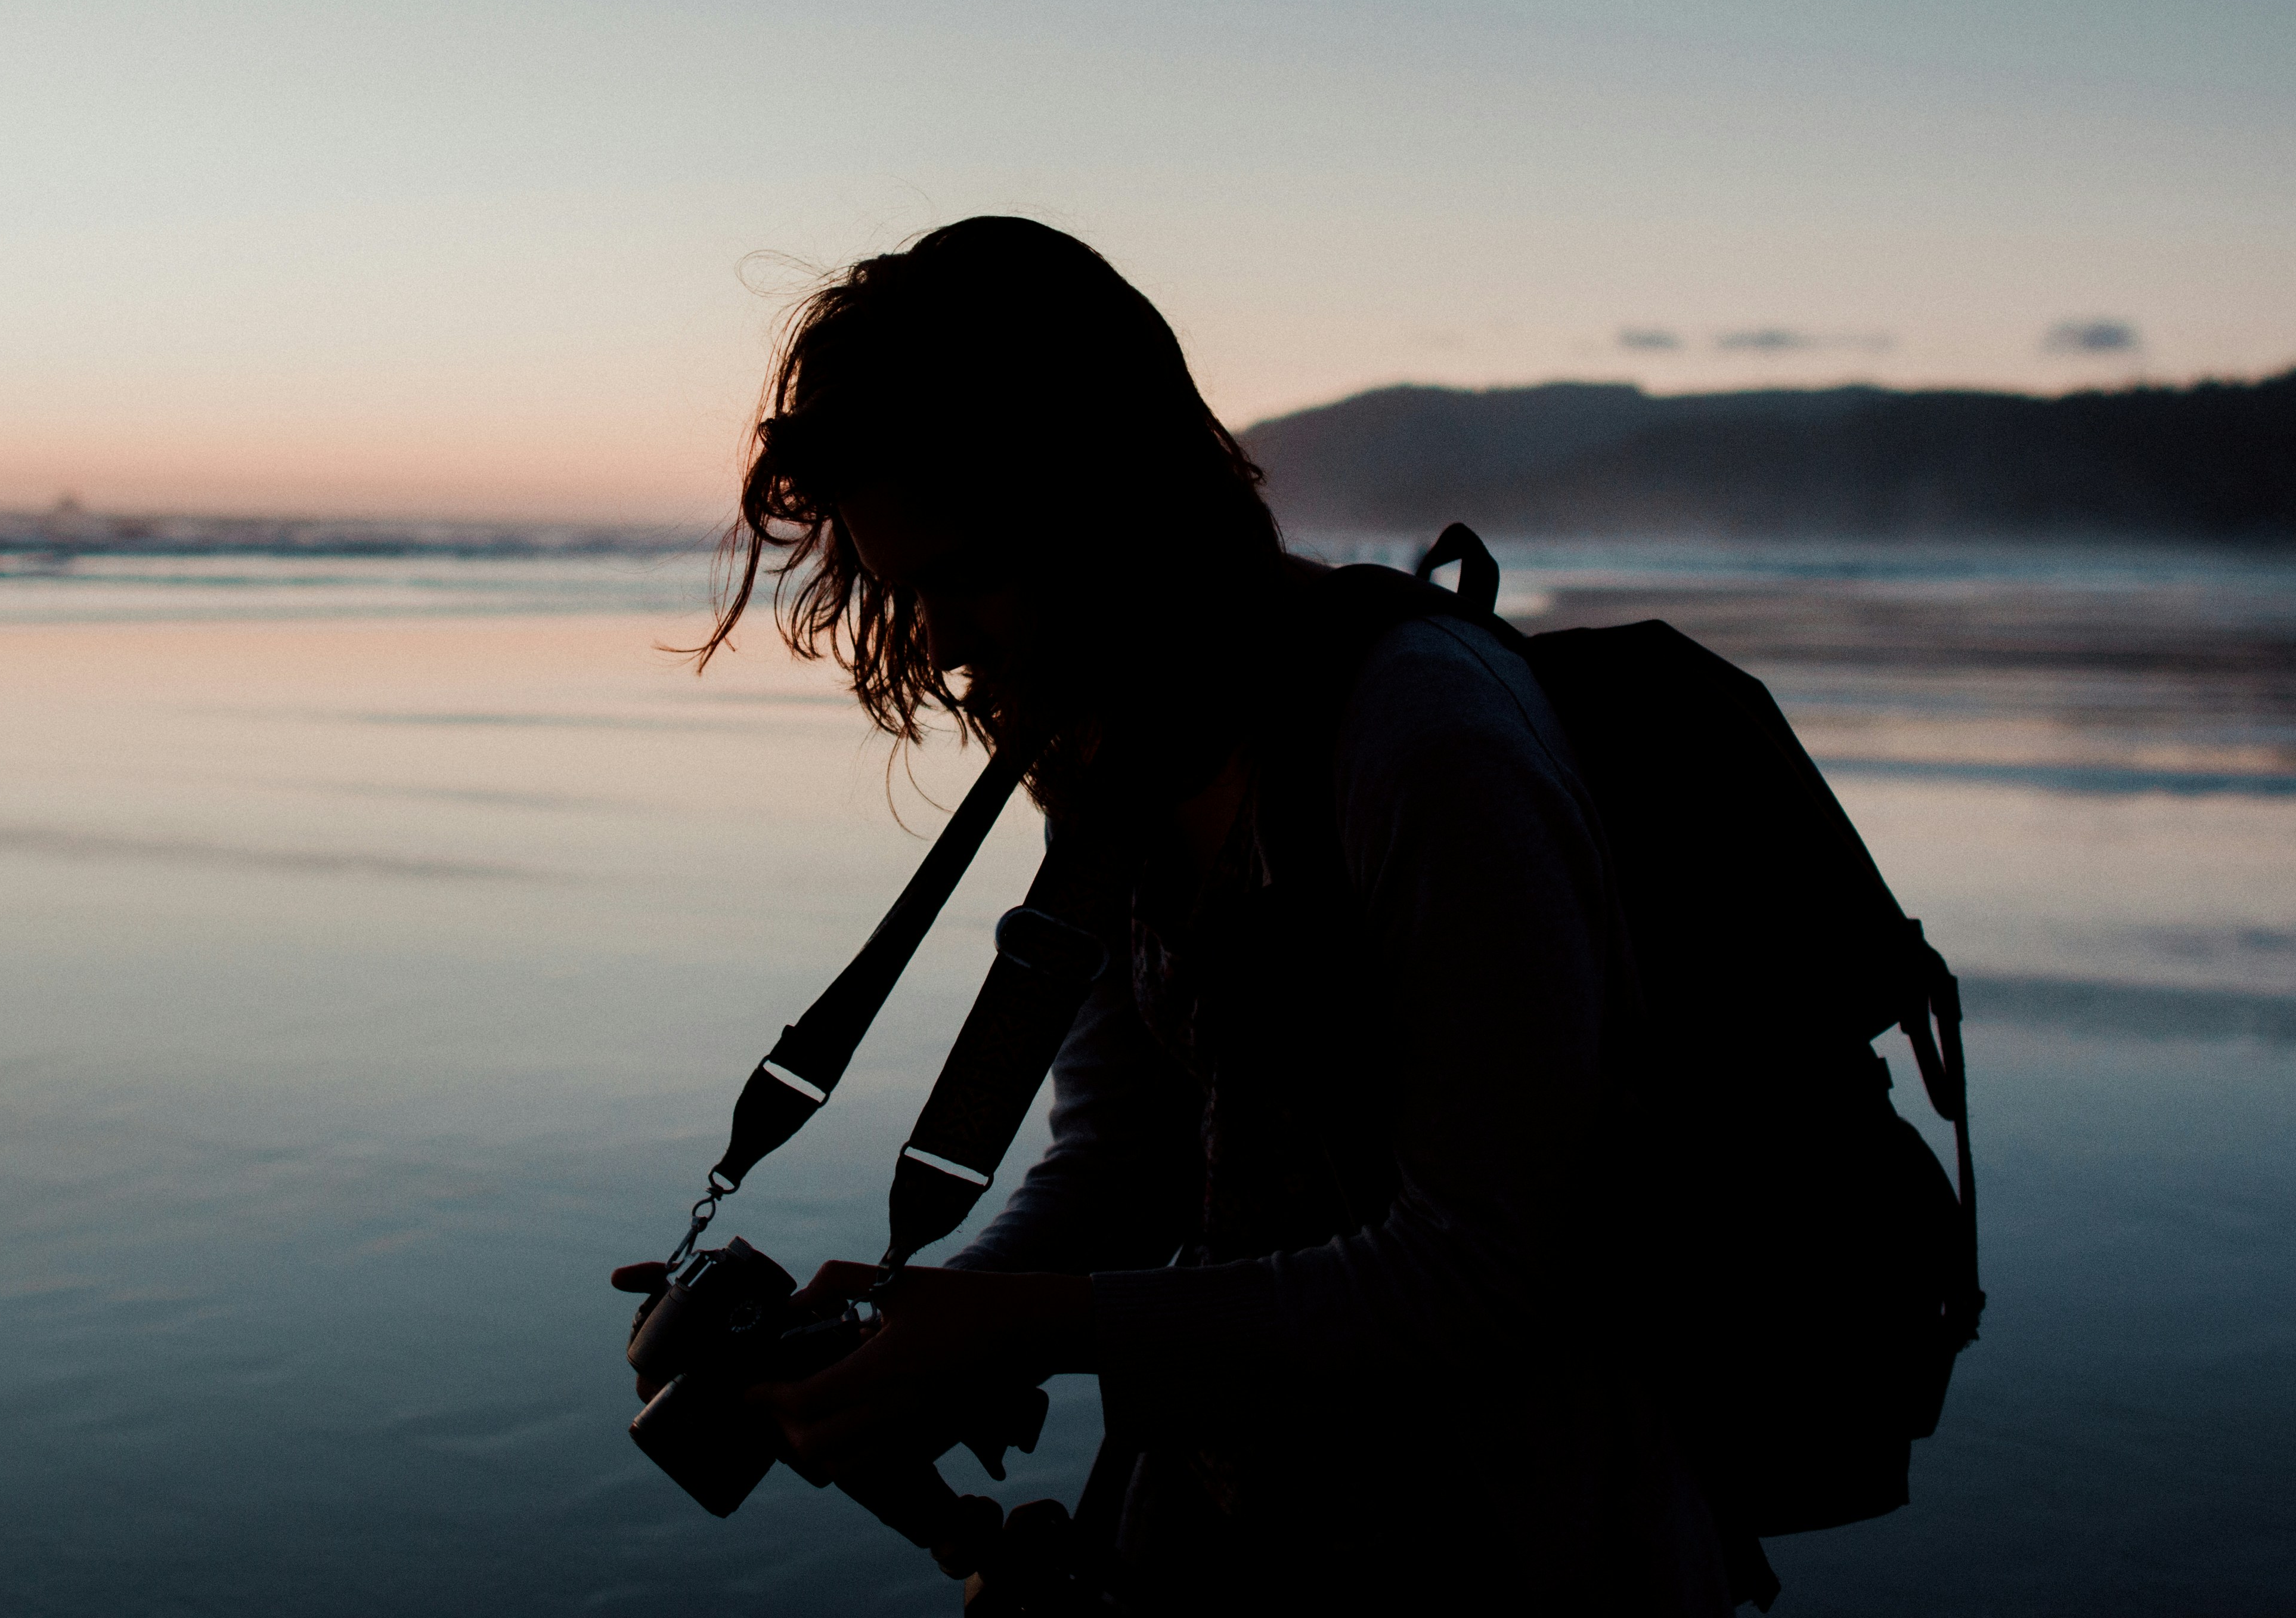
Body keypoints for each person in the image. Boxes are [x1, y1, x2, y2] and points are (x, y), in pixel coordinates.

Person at [618, 216, 1730, 1613]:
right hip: (1213, 1531)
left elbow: (1488, 1270)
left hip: (1516, 1550)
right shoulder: (1115, 758)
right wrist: (918, 1329)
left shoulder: (1426, 748)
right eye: (908, 591)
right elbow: (1128, 1163)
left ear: (1105, 500)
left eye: (964, 575)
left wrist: (1033, 1323)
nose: (944, 641)